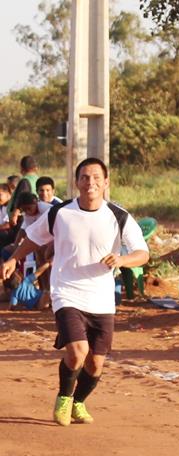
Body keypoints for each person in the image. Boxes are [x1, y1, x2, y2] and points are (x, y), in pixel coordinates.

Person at [0, 158, 149, 427]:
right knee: (78, 351)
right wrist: (13, 258)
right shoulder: (61, 212)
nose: (90, 182)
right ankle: (64, 397)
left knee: (95, 363)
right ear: (76, 182)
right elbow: (34, 237)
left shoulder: (119, 216)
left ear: (106, 183)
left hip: (102, 299)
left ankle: (79, 401)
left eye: (95, 177)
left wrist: (122, 260)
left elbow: (142, 253)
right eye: (84, 177)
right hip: (67, 292)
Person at [7, 155, 40, 227]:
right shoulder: (37, 178)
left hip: (22, 217)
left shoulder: (25, 180)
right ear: (35, 168)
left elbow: (22, 197)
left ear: (22, 168)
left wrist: (15, 214)